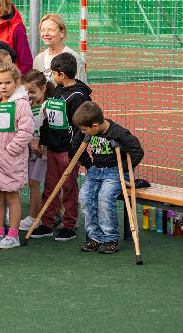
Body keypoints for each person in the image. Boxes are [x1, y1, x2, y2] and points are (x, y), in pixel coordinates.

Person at [30, 52, 93, 242]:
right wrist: (43, 141)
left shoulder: (78, 97)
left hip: (68, 151)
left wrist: (74, 152)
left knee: (68, 188)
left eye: (53, 73)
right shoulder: (57, 90)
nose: (51, 76)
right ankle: (47, 223)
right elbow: (50, 117)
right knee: (49, 187)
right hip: (53, 148)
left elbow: (80, 128)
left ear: (62, 74)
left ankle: (69, 225)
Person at [71, 102, 144, 254]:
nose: (82, 131)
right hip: (95, 170)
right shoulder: (87, 131)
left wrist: (121, 168)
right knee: (85, 197)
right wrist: (88, 165)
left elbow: (137, 151)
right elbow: (75, 147)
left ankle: (110, 239)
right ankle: (95, 237)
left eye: (84, 129)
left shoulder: (118, 132)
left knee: (104, 198)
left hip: (114, 171)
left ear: (95, 126)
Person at [0, 62, 34, 250]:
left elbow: (26, 131)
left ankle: (13, 234)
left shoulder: (21, 104)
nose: (3, 87)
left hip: (11, 160)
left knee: (12, 195)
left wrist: (11, 149)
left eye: (8, 83)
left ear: (16, 82)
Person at [19, 69, 51, 231]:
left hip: (43, 152)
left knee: (35, 182)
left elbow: (49, 128)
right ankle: (49, 214)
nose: (29, 95)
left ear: (43, 88)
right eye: (26, 91)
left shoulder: (47, 106)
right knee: (32, 182)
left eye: (32, 91)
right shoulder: (28, 105)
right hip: (30, 150)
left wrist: (42, 142)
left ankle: (34, 217)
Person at [33, 13, 86, 82]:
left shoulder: (74, 58)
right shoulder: (39, 59)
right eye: (43, 30)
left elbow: (82, 89)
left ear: (62, 33)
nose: (45, 33)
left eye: (50, 30)